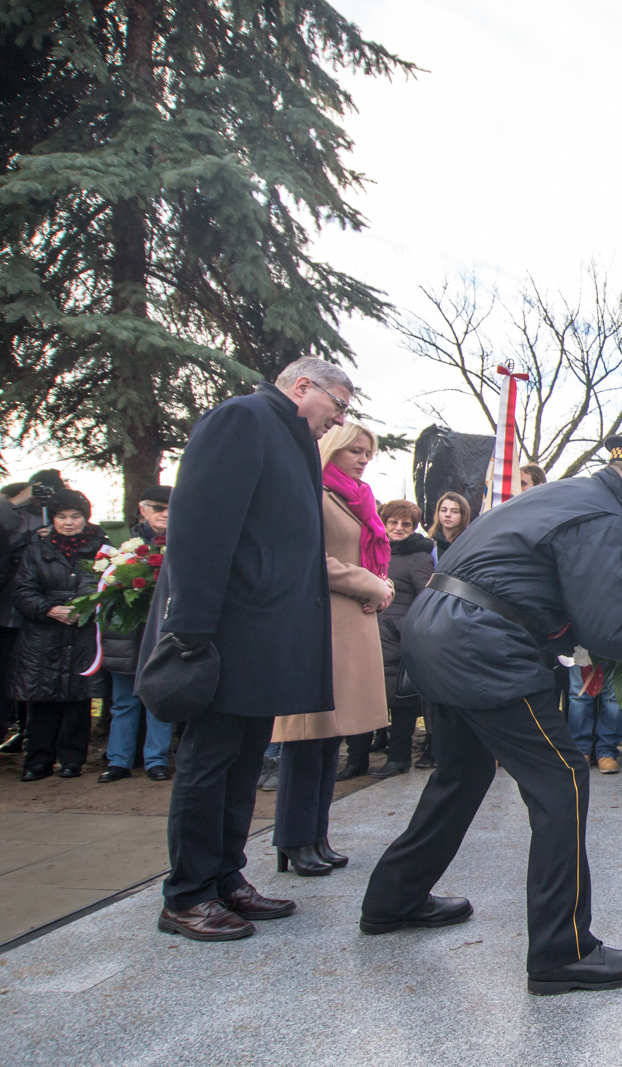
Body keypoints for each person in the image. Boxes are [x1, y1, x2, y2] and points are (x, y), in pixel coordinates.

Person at [363, 435, 622, 996]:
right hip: (481, 643)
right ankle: (562, 952)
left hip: (437, 630)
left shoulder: (566, 495)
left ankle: (393, 900)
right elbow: (607, 629)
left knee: (461, 775)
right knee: (561, 778)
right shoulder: (603, 516)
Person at [148, 356, 347, 941]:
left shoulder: (291, 440)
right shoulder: (243, 419)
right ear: (303, 386)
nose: (337, 422)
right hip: (226, 631)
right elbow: (201, 528)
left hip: (265, 636)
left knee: (243, 763)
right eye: (338, 406)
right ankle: (186, 895)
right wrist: (190, 629)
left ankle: (225, 878)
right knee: (208, 765)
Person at [271, 421, 392, 876]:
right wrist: (370, 583)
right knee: (308, 737)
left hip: (352, 623)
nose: (363, 459)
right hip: (320, 624)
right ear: (330, 449)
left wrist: (382, 583)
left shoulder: (357, 499)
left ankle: (316, 834)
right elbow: (307, 557)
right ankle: (293, 838)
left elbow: (367, 557)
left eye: (368, 452)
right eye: (354, 451)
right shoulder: (312, 492)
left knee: (331, 739)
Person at [11, 490, 106, 780]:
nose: (68, 523)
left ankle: (72, 760)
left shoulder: (100, 549)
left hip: (83, 631)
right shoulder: (35, 550)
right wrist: (51, 609)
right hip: (43, 633)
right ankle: (37, 760)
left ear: (84, 518)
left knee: (78, 699)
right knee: (42, 698)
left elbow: (106, 584)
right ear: (52, 519)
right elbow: (23, 591)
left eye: (75, 516)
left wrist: (84, 608)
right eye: (62, 517)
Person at [99, 486, 173, 783]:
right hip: (127, 633)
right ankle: (119, 760)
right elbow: (103, 583)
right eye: (157, 507)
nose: (165, 513)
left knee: (160, 699)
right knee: (124, 701)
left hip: (163, 631)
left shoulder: (186, 540)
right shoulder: (121, 544)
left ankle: (157, 760)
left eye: (171, 506)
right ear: (143, 510)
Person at [371, 499, 434, 778]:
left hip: (397, 638)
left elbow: (427, 597)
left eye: (405, 524)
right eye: (393, 522)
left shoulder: (419, 557)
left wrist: (404, 627)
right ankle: (357, 759)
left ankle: (398, 757)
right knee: (366, 697)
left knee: (401, 701)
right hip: (368, 633)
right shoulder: (373, 549)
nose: (398, 528)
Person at [0, 473, 58, 753]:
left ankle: (27, 731)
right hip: (8, 611)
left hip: (44, 612)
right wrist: (16, 500)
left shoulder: (59, 518)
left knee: (33, 675)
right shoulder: (9, 510)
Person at [567, 664, 622, 773]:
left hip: (617, 648)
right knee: (579, 694)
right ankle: (581, 749)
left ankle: (607, 751)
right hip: (582, 648)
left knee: (614, 695)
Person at [429, 491, 473, 561]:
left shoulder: (471, 545)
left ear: (463, 515)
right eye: (443, 510)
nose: (448, 515)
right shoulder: (430, 545)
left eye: (455, 511)